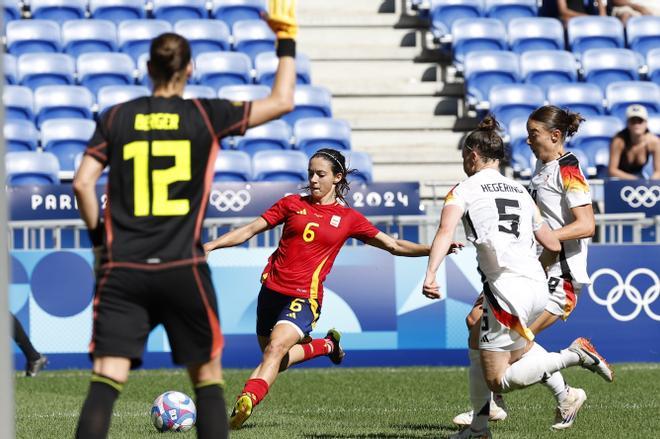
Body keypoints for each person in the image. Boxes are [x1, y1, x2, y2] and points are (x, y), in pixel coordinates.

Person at [72, 1, 299, 437]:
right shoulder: (204, 114)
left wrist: (101, 244)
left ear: (146, 67)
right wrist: (286, 39)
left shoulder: (117, 116)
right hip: (183, 268)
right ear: (190, 69)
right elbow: (283, 101)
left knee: (106, 379)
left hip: (124, 269)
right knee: (208, 381)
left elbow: (83, 183)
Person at [204, 148, 451, 430]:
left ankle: (246, 399)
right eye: (310, 173)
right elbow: (249, 229)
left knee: (276, 349)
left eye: (320, 174)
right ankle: (327, 345)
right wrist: (211, 245)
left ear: (337, 177)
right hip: (271, 291)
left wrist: (435, 249)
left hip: (304, 297)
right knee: (276, 359)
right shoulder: (291, 204)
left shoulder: (348, 219)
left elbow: (394, 245)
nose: (313, 179)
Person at [423, 115, 613, 439]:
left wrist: (430, 273)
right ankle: (482, 425)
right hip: (534, 277)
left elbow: (444, 231)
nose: (529, 139)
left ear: (471, 156)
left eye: (533, 133)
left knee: (502, 372)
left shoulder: (466, 188)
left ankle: (571, 358)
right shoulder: (523, 188)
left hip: (527, 282)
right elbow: (549, 240)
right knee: (475, 328)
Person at [608, 104, 660, 180]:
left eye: (640, 121)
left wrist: (649, 183)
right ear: (628, 124)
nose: (636, 124)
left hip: (639, 176)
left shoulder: (654, 142)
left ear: (646, 123)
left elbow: (658, 172)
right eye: (633, 121)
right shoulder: (619, 141)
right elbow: (612, 170)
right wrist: (636, 180)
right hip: (619, 178)